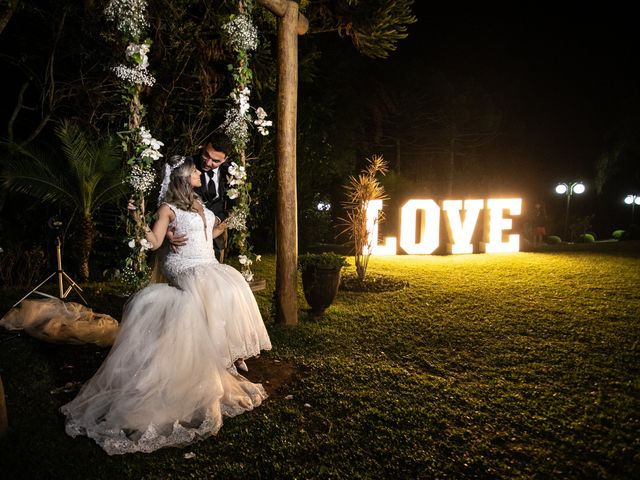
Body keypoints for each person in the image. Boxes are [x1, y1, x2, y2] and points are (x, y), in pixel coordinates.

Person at [60, 155, 271, 455]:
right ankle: (181, 384)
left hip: (206, 261)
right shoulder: (167, 208)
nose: (200, 171)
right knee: (211, 290)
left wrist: (223, 227)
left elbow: (205, 235)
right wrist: (138, 221)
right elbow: (156, 242)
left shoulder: (199, 203)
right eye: (195, 170)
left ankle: (209, 368)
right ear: (184, 177)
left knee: (225, 290)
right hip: (185, 267)